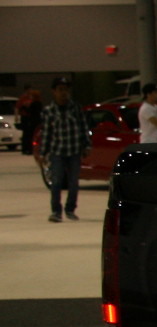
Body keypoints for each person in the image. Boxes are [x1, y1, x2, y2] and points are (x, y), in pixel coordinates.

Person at [36, 79, 88, 222]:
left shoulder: (76, 108)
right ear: (54, 91)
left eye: (65, 89)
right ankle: (56, 211)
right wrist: (42, 153)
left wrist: (86, 145)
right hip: (57, 151)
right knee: (57, 182)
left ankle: (70, 209)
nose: (63, 93)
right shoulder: (49, 111)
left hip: (74, 150)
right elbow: (46, 133)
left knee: (73, 183)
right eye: (60, 89)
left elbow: (84, 128)